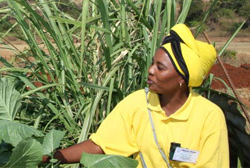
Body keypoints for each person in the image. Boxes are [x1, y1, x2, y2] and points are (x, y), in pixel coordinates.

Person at [44, 24, 229, 167]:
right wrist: (49, 156)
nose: (150, 70)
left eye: (160, 67)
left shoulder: (209, 116)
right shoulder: (139, 103)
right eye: (152, 63)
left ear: (182, 78)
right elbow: (100, 145)